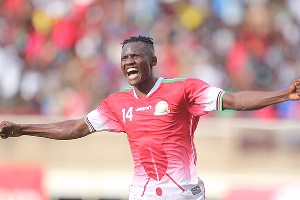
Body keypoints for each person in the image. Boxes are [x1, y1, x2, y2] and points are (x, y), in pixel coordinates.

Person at [1, 35, 300, 200]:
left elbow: (233, 100)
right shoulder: (116, 103)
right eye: (124, 58)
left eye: (135, 56)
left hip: (184, 194)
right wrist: (23, 128)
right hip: (142, 195)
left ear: (152, 61)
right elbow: (77, 127)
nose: (129, 62)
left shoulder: (183, 89)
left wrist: (282, 95)